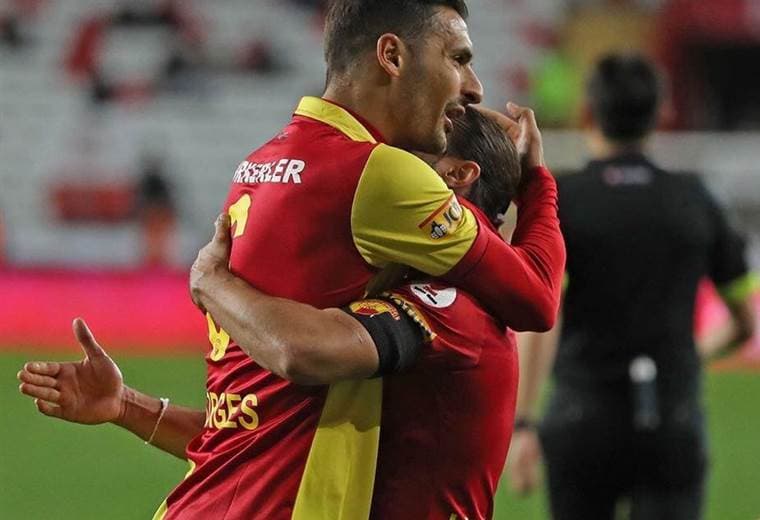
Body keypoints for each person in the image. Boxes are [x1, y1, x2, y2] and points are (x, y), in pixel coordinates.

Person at [20, 106, 541, 519]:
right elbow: (260, 441)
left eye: (408, 161)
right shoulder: (411, 294)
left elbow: (296, 351)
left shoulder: (452, 306)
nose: (389, 170)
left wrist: (213, 283)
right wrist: (127, 406)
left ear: (456, 177)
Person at [506, 53, 758, 520]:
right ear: (662, 114)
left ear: (588, 112)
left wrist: (524, 423)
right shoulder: (694, 200)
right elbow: (744, 322)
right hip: (671, 412)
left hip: (583, 413)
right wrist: (690, 354)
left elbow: (543, 317)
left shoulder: (565, 202)